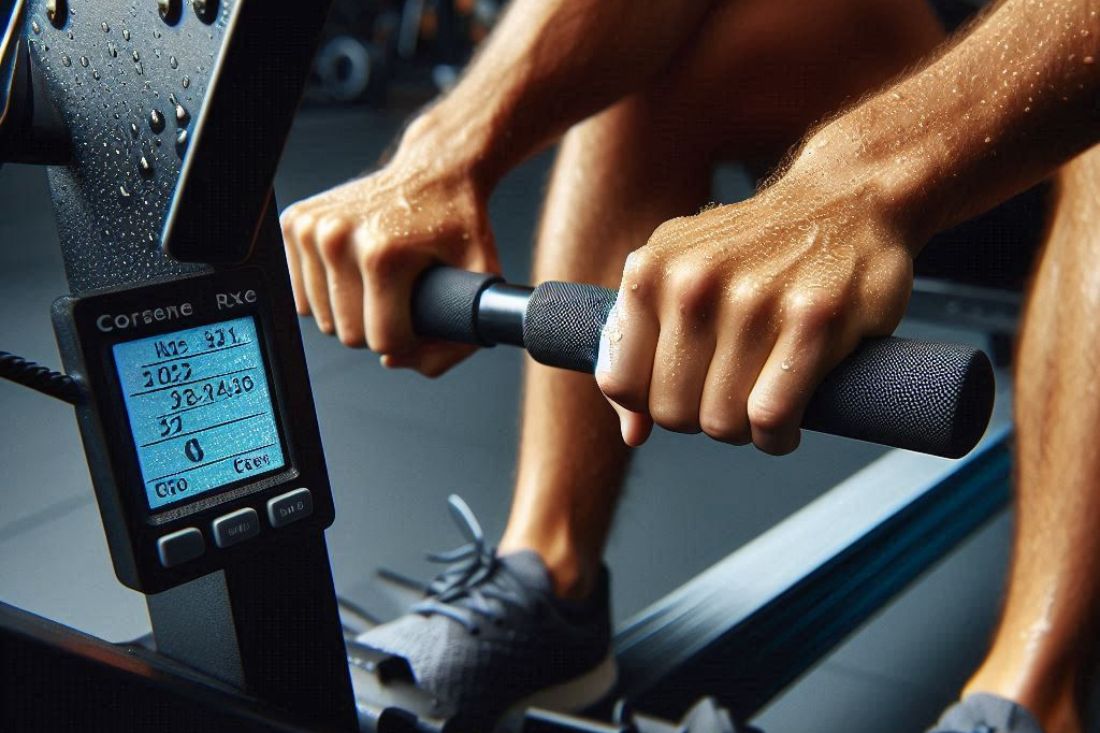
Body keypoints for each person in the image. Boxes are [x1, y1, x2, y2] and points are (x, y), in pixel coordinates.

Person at [280, 0, 1100, 730]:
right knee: (666, 54)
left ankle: (1029, 692)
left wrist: (857, 181)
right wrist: (442, 155)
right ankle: (547, 574)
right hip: (920, 55)